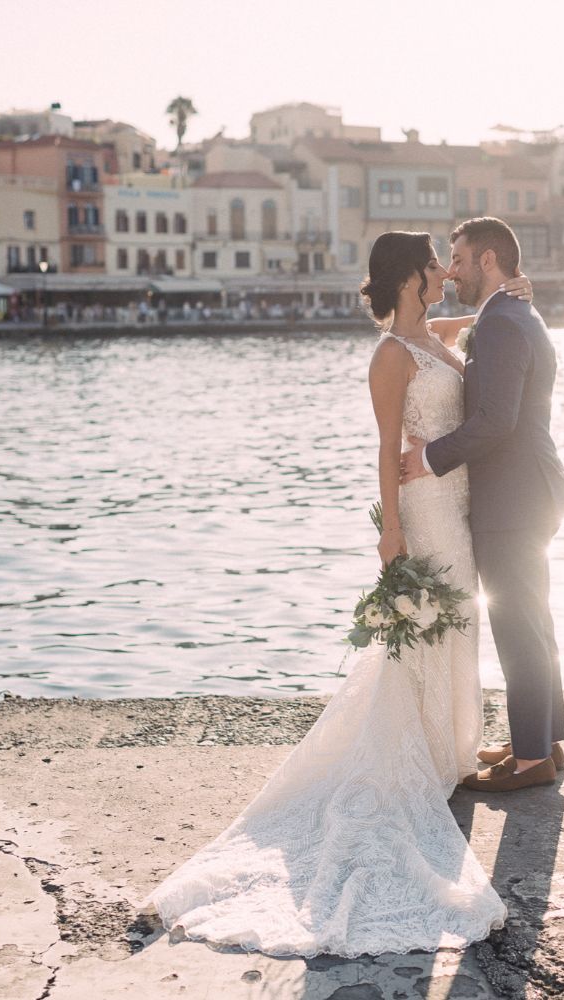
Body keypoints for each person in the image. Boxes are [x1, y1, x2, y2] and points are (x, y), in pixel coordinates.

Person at [140, 231, 534, 957]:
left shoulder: (429, 338)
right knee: (426, 630)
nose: (446, 271)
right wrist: (391, 539)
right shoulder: (388, 356)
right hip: (424, 517)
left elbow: (446, 342)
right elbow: (387, 448)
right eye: (435, 263)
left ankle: (446, 752)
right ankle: (412, 757)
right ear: (413, 275)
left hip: (458, 514)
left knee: (456, 629)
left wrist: (499, 302)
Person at [401, 217, 564, 793]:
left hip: (512, 498)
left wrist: (429, 459)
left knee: (518, 625)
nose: (451, 270)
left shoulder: (502, 323)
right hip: (531, 492)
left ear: (488, 261)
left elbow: (495, 422)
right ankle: (542, 739)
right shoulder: (511, 314)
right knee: (533, 619)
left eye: (458, 257)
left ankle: (530, 761)